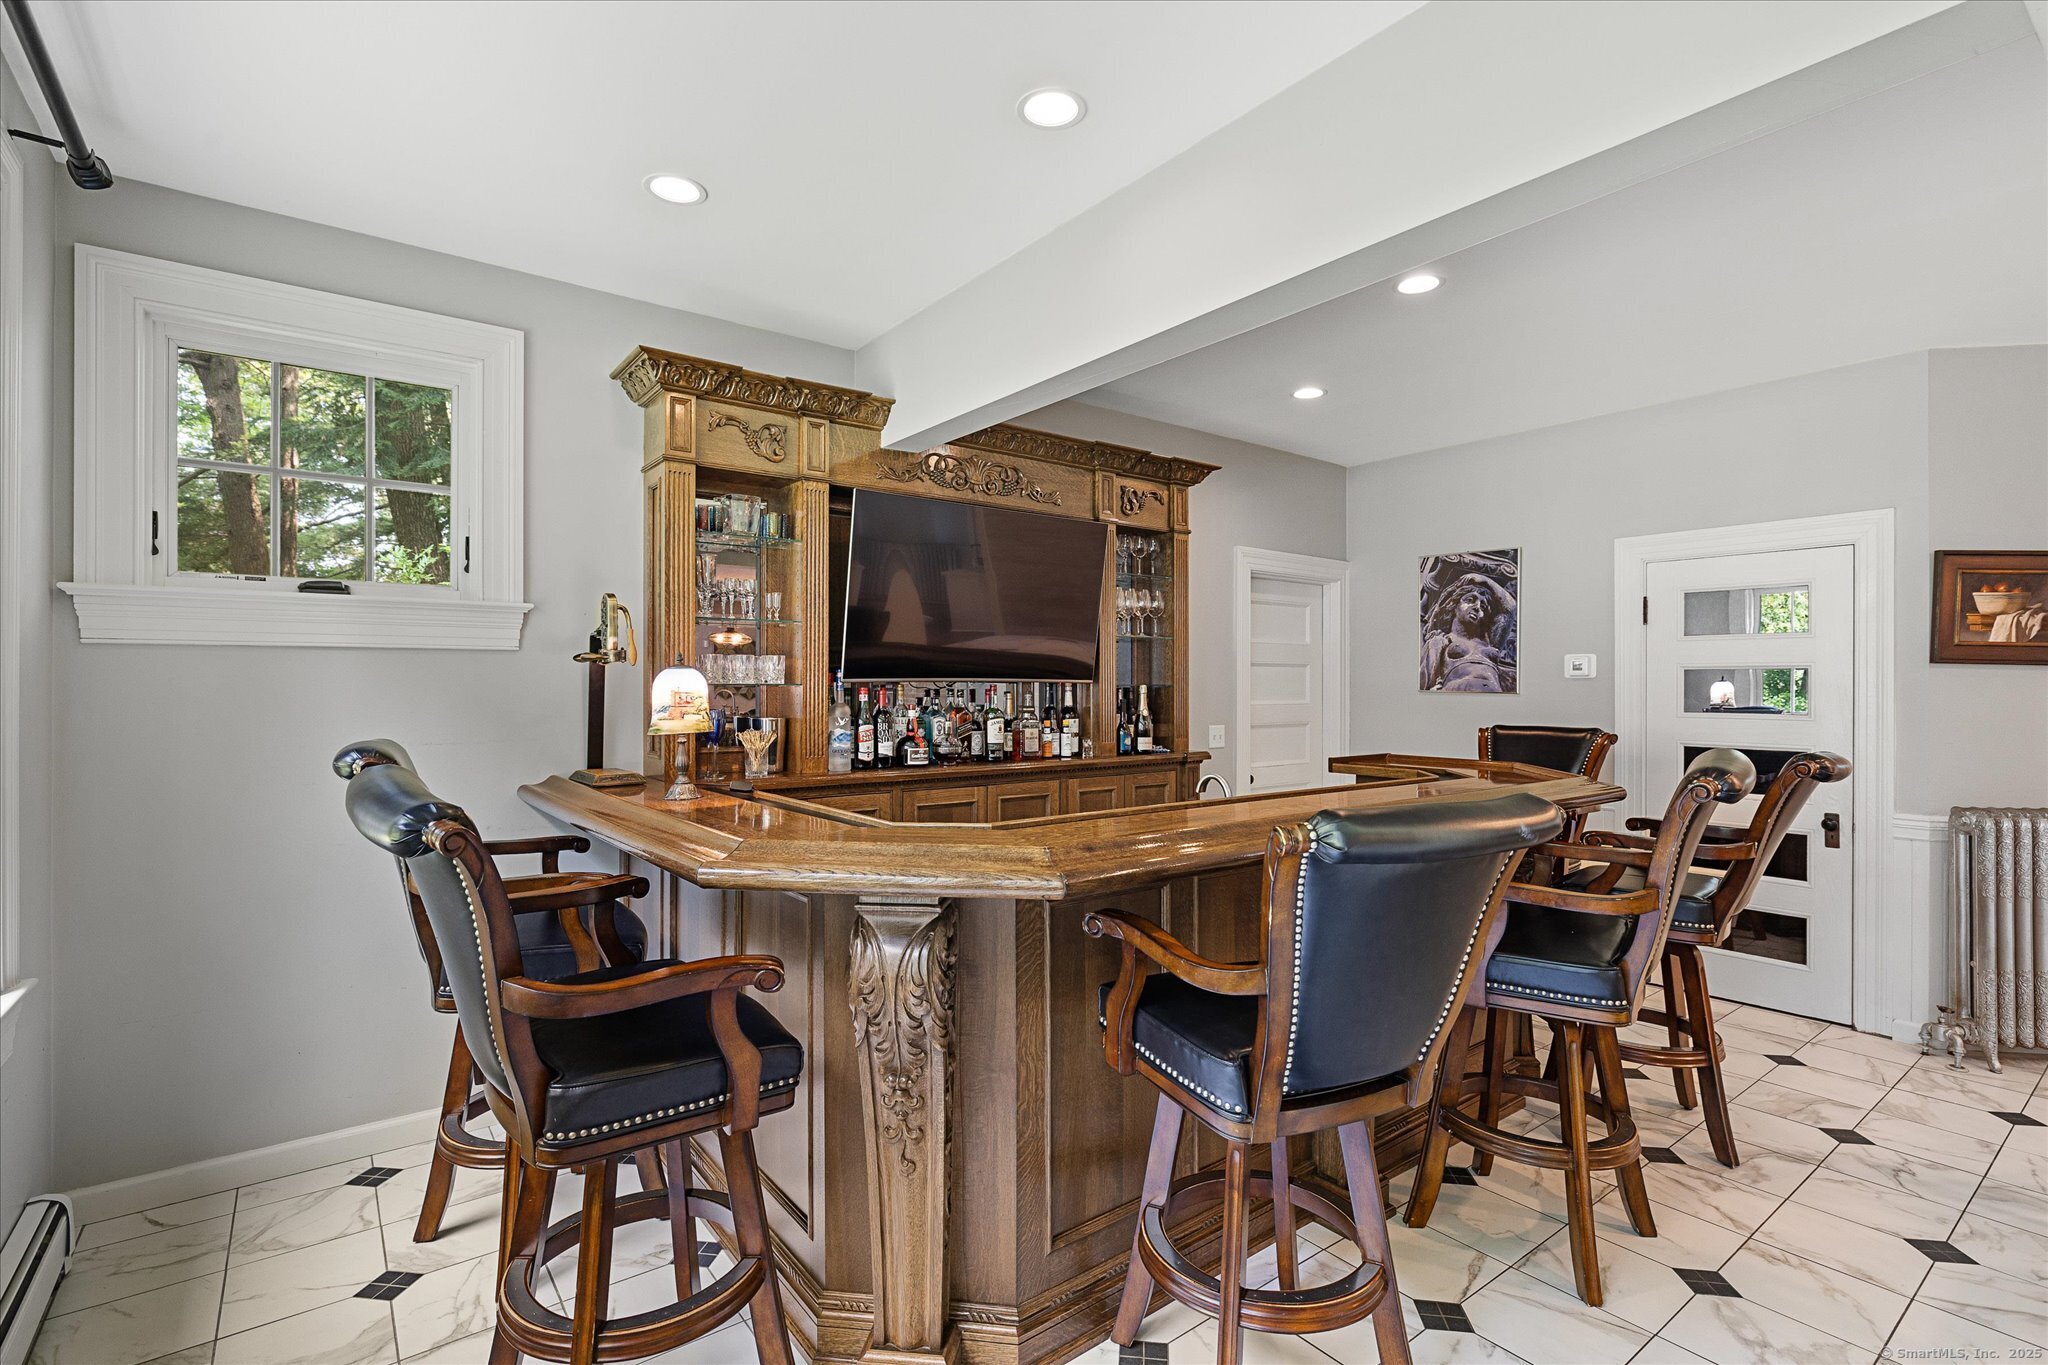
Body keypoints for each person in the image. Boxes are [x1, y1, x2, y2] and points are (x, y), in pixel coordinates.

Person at [1421, 573, 1517, 692]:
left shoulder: (1490, 642)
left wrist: (1484, 580)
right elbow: (1424, 680)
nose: (1477, 607)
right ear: (1453, 606)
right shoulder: (1441, 640)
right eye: (1470, 600)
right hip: (1456, 691)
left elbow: (1510, 608)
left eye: (1483, 607)